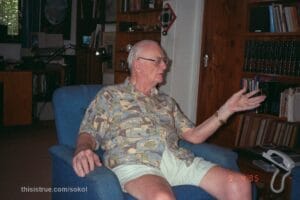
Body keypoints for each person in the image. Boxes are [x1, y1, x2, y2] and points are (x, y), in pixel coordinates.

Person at [72, 40, 266, 200]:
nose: (164, 66)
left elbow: (194, 136)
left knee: (240, 183)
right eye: (158, 61)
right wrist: (83, 149)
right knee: (161, 197)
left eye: (164, 61)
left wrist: (227, 110)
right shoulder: (110, 95)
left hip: (177, 160)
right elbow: (89, 131)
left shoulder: (167, 102)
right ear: (137, 64)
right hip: (135, 162)